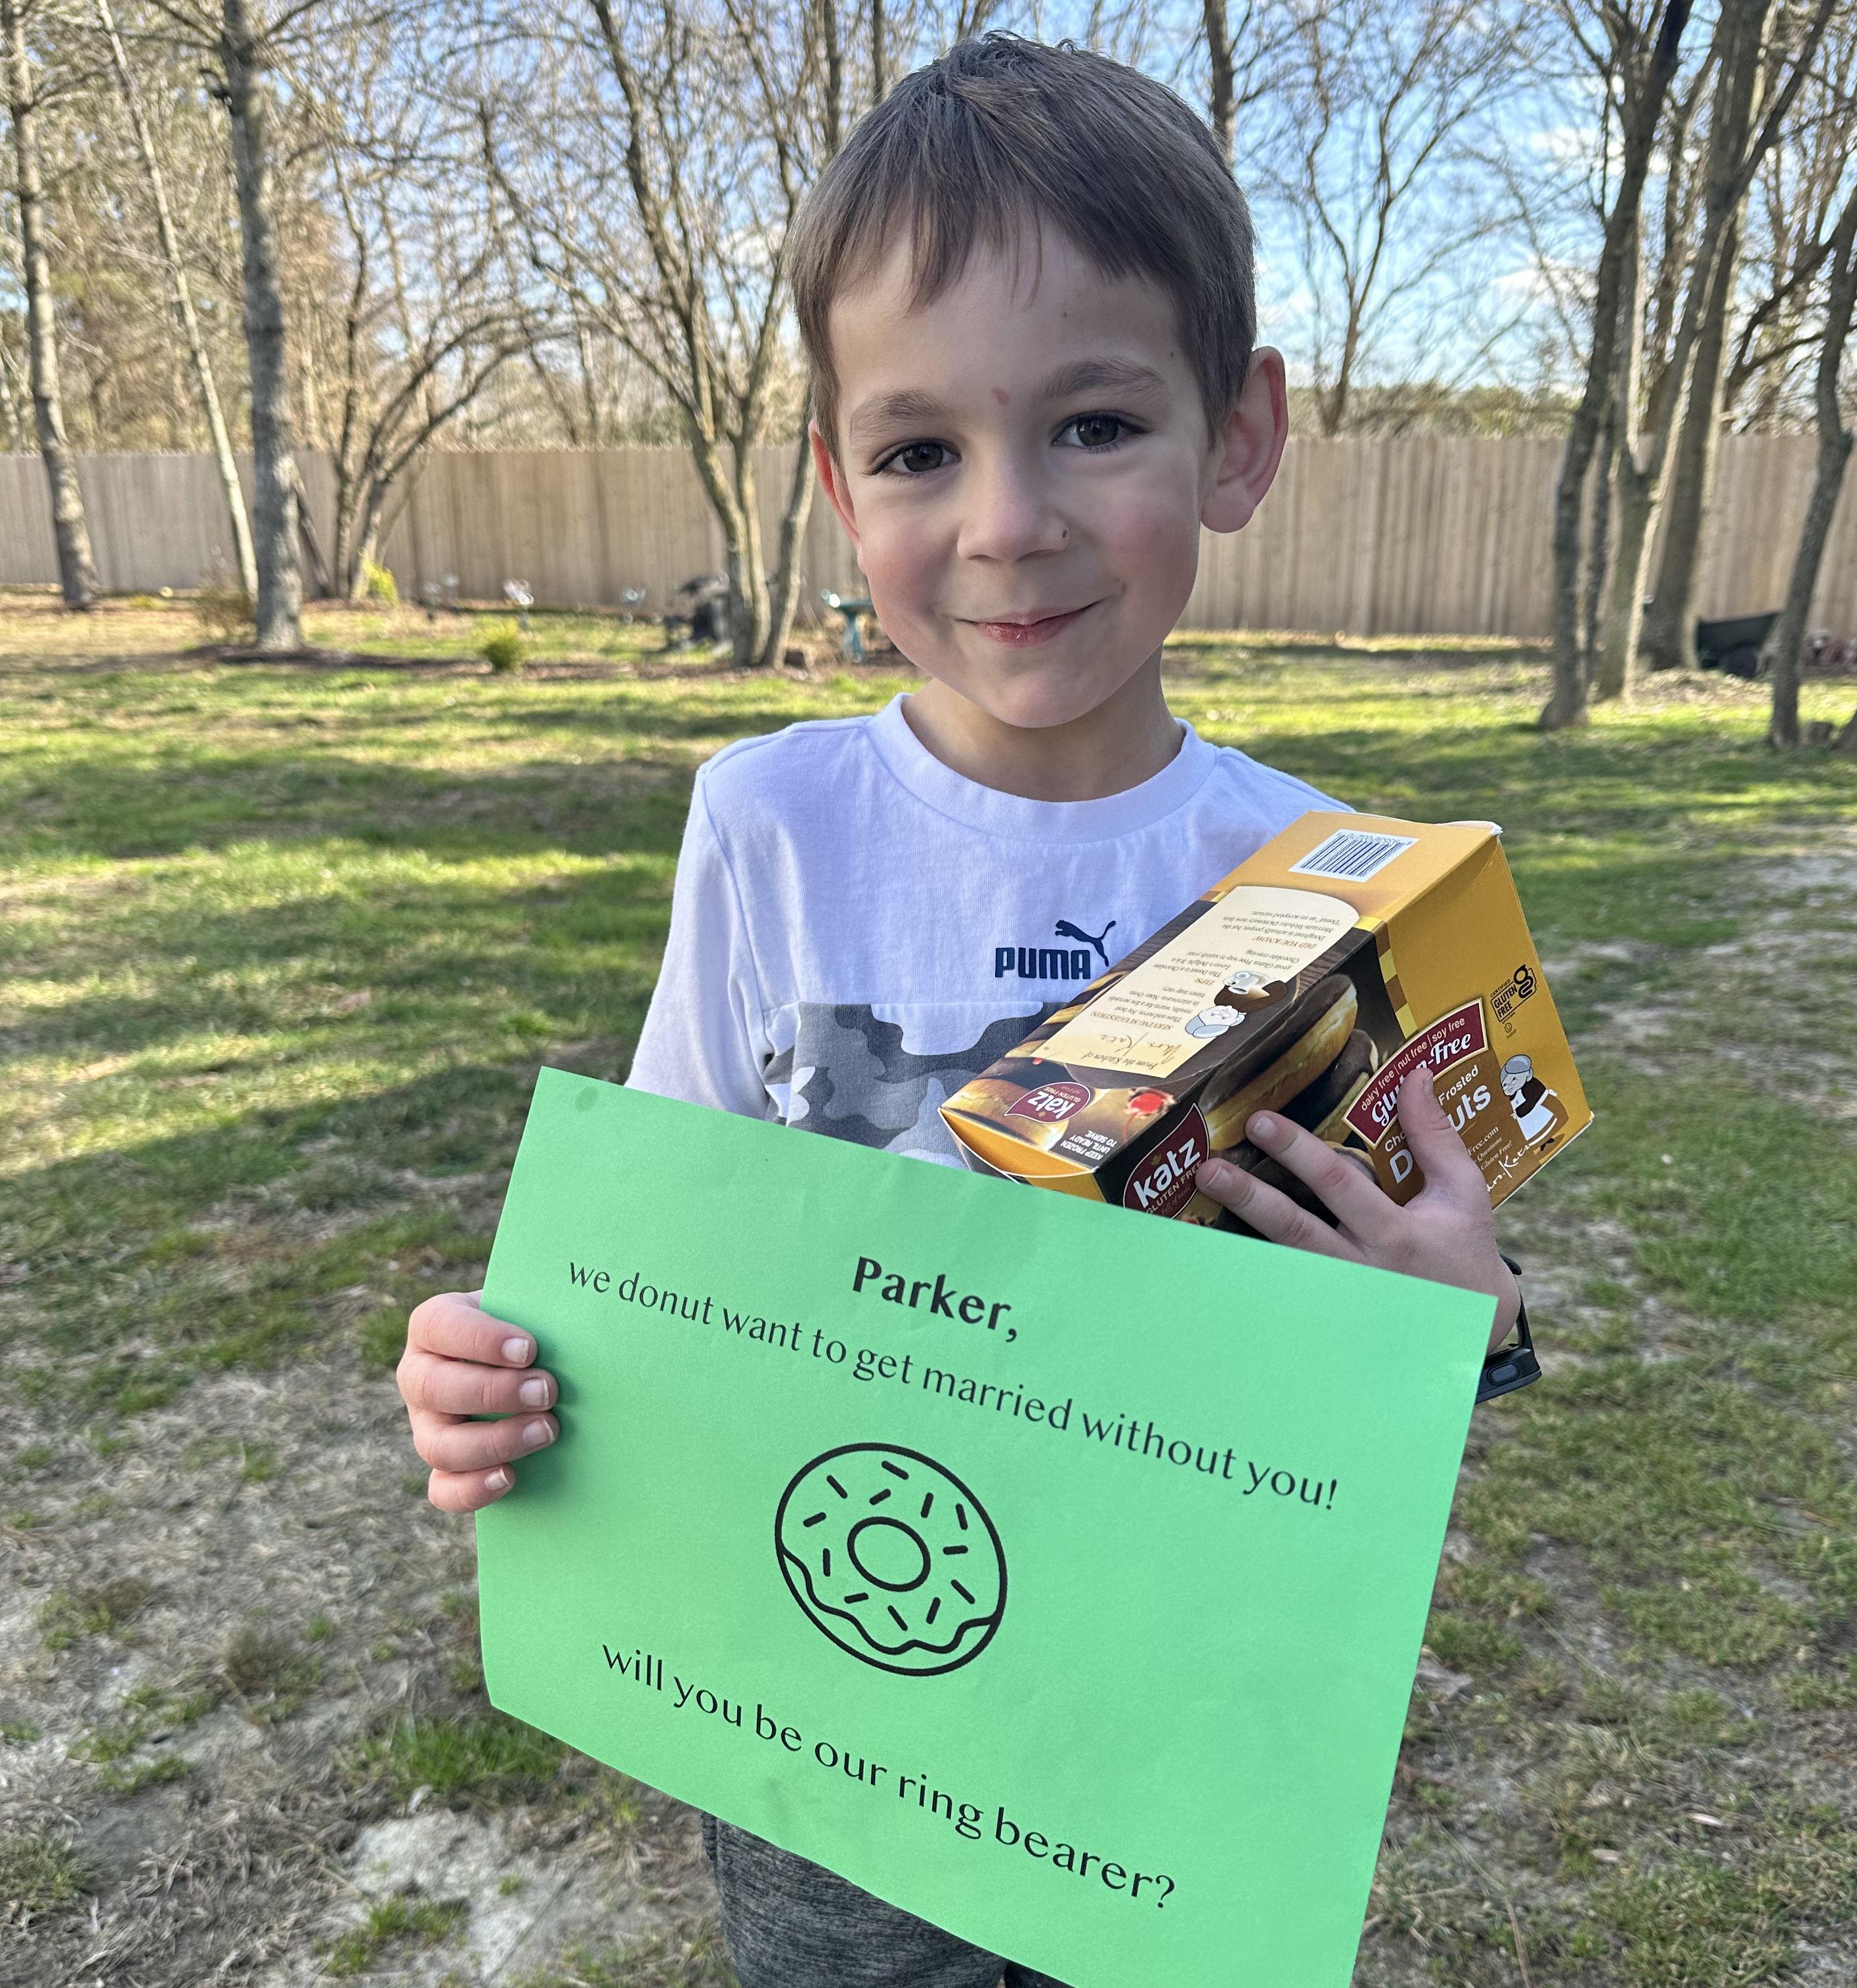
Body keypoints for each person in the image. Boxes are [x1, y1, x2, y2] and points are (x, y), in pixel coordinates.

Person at [395, 33, 1520, 1987]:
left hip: (1162, 1720)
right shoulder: (769, 822)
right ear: (840, 485)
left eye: (1093, 422)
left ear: (1238, 437)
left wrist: (1465, 1327)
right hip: (827, 1714)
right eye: (921, 450)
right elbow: (657, 1246)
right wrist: (498, 1371)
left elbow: (1379, 1356)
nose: (1007, 522)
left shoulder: (1320, 882)